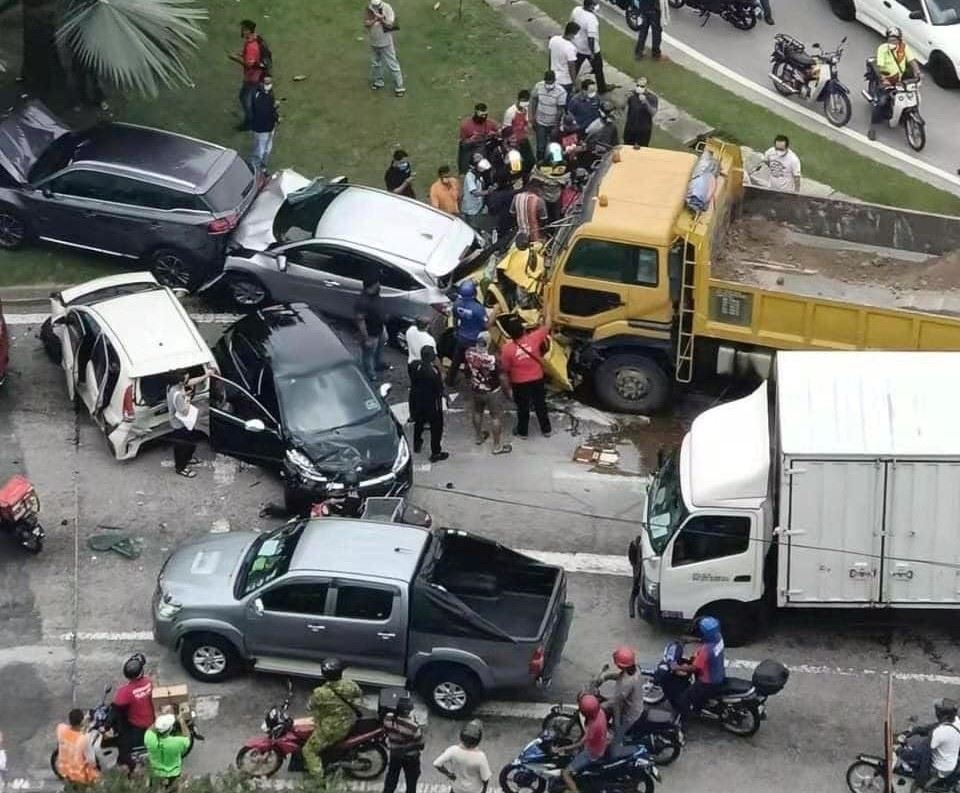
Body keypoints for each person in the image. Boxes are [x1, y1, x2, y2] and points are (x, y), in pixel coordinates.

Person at [303, 659, 363, 776]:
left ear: (323, 674)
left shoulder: (320, 693)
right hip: (350, 721)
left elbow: (310, 707)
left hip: (332, 728)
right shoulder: (350, 684)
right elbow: (359, 693)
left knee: (308, 750)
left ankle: (319, 780)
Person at [500, 318, 552, 438]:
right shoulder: (534, 338)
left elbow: (505, 368)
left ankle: (523, 432)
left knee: (523, 407)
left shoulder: (507, 349)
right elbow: (548, 325)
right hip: (537, 379)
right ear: (523, 330)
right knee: (540, 404)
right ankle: (546, 430)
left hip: (519, 382)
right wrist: (548, 308)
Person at [867, 27, 921, 141]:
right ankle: (873, 128)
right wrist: (883, 79)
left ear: (899, 39)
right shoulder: (882, 49)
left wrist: (918, 72)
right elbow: (880, 66)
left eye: (895, 39)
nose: (893, 42)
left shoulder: (904, 48)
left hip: (900, 79)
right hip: (886, 79)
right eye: (891, 39)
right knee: (881, 102)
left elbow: (912, 61)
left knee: (913, 95)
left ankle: (904, 116)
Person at [672, 616, 726, 724]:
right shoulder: (719, 638)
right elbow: (704, 640)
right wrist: (693, 640)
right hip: (719, 673)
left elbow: (693, 668)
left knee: (684, 699)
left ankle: (683, 721)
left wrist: (676, 667)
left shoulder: (706, 650)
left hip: (708, 682)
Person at [465, 332, 512, 455]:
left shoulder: (469, 353)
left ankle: (478, 437)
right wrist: (508, 392)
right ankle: (497, 446)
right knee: (496, 417)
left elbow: (467, 369)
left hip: (476, 389)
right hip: (492, 391)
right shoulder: (494, 360)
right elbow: (502, 377)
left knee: (477, 412)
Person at [897, 698, 960, 788]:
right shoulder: (955, 721)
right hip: (950, 759)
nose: (936, 713)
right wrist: (916, 730)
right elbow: (935, 726)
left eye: (937, 711)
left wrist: (899, 751)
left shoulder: (939, 733)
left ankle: (921, 787)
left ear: (944, 716)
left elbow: (918, 753)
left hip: (939, 768)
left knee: (917, 785)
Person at [113, 653, 155, 773]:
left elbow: (117, 705)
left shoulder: (125, 692)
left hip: (138, 724)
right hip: (151, 718)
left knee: (125, 746)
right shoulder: (148, 682)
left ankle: (132, 763)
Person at [409, 346, 450, 462]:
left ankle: (417, 443)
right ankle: (436, 452)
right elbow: (439, 388)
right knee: (436, 428)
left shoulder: (415, 366)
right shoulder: (433, 372)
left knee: (419, 422)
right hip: (432, 403)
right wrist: (446, 397)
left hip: (418, 400)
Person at [560, 695, 607, 793]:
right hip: (600, 744)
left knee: (565, 773)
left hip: (592, 753)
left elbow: (581, 743)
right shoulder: (600, 713)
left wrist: (563, 748)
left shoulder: (594, 726)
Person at [167, 371, 207, 479]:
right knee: (182, 447)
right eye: (186, 379)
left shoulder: (172, 387)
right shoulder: (178, 394)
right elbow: (184, 411)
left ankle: (188, 458)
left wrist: (206, 375)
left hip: (180, 423)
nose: (188, 380)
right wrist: (187, 398)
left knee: (189, 442)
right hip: (180, 424)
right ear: (180, 381)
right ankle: (181, 468)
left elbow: (190, 382)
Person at [599, 646, 646, 738]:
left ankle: (616, 745)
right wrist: (606, 677)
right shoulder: (634, 669)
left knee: (614, 740)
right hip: (630, 703)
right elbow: (620, 676)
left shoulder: (627, 683)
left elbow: (616, 701)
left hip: (628, 713)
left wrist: (601, 705)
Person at [433, 720, 491, 793]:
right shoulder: (480, 757)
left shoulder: (453, 750)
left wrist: (449, 774)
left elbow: (437, 764)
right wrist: (484, 790)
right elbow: (485, 778)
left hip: (457, 789)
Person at [448, 280, 488, 387]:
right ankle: (472, 379)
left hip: (461, 336)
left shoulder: (457, 304)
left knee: (456, 360)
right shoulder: (479, 309)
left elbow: (455, 319)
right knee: (474, 361)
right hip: (474, 339)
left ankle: (449, 380)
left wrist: (456, 330)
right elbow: (486, 325)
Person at [382, 692, 424, 793]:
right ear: (408, 711)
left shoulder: (388, 718)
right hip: (410, 756)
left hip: (395, 753)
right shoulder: (412, 727)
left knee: (392, 776)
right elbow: (420, 743)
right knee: (411, 780)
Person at [228, 20, 264, 131]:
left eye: (243, 29)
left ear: (248, 30)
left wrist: (235, 58)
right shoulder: (254, 39)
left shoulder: (251, 46)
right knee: (253, 95)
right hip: (258, 75)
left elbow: (249, 65)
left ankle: (250, 121)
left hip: (252, 77)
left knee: (244, 97)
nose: (241, 31)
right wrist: (242, 54)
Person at [365, 0, 405, 96]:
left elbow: (391, 25)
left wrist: (382, 19)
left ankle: (400, 86)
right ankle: (379, 81)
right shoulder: (369, 8)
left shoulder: (387, 8)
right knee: (376, 63)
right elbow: (366, 24)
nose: (374, 6)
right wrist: (375, 19)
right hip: (374, 41)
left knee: (392, 63)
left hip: (386, 42)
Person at [144, 712, 191, 791]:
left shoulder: (149, 738)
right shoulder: (177, 742)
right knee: (173, 789)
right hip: (174, 773)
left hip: (156, 773)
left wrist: (159, 720)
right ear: (170, 729)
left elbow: (151, 728)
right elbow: (187, 737)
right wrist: (181, 720)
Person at [55, 709, 99, 786]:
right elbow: (92, 761)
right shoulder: (84, 739)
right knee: (97, 776)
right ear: (82, 721)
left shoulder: (61, 729)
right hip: (78, 775)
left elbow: (69, 730)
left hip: (64, 771)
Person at [530, 70, 568, 162]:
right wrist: (533, 116)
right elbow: (534, 100)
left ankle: (555, 164)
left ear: (554, 80)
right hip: (541, 123)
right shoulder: (538, 86)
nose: (548, 84)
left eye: (550, 82)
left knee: (554, 146)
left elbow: (559, 111)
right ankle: (539, 164)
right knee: (540, 147)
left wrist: (556, 126)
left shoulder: (561, 92)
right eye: (547, 82)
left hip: (552, 124)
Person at [571, 0, 608, 94]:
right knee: (598, 69)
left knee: (575, 66)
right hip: (590, 50)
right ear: (591, 6)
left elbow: (571, 23)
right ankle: (602, 89)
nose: (596, 6)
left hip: (577, 45)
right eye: (595, 4)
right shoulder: (592, 19)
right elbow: (591, 38)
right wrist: (591, 53)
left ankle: (570, 83)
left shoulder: (577, 10)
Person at [356, 279, 388, 382]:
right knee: (368, 355)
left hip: (380, 329)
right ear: (371, 286)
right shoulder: (362, 301)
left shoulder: (375, 295)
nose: (379, 287)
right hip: (370, 333)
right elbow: (360, 321)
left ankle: (378, 364)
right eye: (377, 285)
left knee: (380, 349)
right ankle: (369, 373)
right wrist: (366, 338)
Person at [458, 103, 499, 173]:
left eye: (485, 115)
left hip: (484, 146)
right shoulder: (466, 125)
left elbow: (500, 131)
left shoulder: (490, 123)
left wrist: (494, 134)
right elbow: (462, 144)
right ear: (476, 113)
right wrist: (471, 140)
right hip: (470, 148)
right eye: (481, 115)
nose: (483, 117)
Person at [249, 75, 279, 173]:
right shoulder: (259, 96)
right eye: (266, 83)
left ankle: (263, 168)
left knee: (267, 149)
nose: (268, 85)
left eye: (269, 83)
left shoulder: (269, 94)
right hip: (261, 128)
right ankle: (254, 170)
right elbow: (264, 111)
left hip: (269, 126)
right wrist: (275, 108)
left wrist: (276, 116)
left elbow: (270, 111)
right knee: (259, 151)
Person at [503, 91, 535, 172]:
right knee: (517, 164)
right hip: (514, 142)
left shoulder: (525, 109)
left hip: (523, 139)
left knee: (531, 161)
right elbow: (506, 129)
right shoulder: (510, 112)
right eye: (524, 101)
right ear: (519, 99)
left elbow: (526, 121)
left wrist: (527, 126)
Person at [461, 154, 493, 232]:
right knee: (473, 230)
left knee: (479, 226)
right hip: (471, 210)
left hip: (478, 207)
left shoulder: (479, 175)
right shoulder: (470, 176)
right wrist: (488, 192)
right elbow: (475, 193)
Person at [623, 77, 659, 147]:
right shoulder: (632, 94)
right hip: (630, 127)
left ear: (647, 87)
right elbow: (622, 108)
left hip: (643, 130)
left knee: (642, 149)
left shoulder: (652, 98)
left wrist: (646, 102)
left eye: (642, 86)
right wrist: (625, 98)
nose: (639, 87)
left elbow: (653, 113)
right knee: (627, 147)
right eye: (637, 85)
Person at [549, 22, 581, 94]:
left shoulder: (554, 39)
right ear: (572, 34)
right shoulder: (570, 48)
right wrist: (575, 83)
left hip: (554, 76)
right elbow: (571, 68)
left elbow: (550, 58)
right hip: (565, 81)